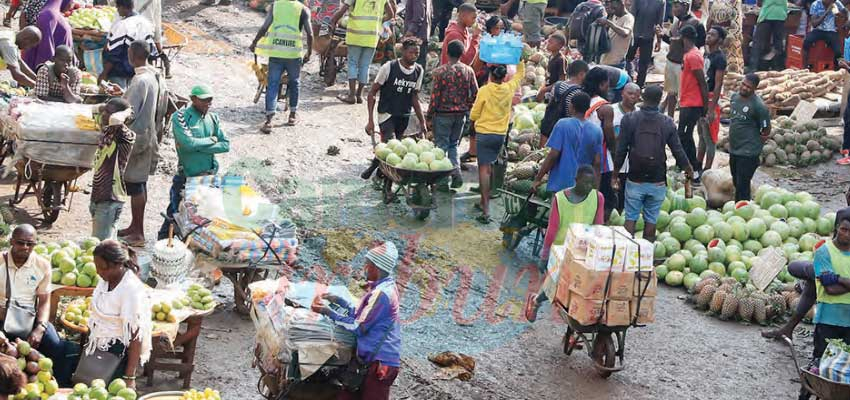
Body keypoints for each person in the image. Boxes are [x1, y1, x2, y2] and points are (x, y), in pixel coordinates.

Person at [311, 242, 401, 400]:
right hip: (367, 359)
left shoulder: (382, 294)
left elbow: (358, 326)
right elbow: (361, 314)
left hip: (380, 363)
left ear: (376, 267)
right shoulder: (380, 288)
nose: (364, 268)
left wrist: (328, 312)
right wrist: (339, 301)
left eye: (367, 264)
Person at [525, 165, 604, 322]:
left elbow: (599, 226)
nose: (589, 187)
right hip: (561, 250)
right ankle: (536, 301)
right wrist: (545, 255)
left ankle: (572, 331)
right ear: (576, 180)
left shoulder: (598, 198)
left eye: (591, 183)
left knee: (581, 291)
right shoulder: (560, 199)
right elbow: (552, 229)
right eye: (585, 183)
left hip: (584, 251)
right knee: (555, 286)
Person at [613, 85, 693, 240]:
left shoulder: (629, 119)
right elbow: (678, 150)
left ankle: (625, 256)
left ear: (642, 97)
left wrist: (615, 174)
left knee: (630, 217)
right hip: (657, 180)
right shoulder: (667, 122)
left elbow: (621, 150)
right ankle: (646, 257)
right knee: (651, 220)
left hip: (635, 177)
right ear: (659, 101)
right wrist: (688, 168)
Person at [157, 85, 230, 239]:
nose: (208, 103)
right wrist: (212, 140)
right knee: (175, 214)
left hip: (208, 178)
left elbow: (225, 145)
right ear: (193, 99)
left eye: (210, 99)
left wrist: (198, 146)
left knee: (202, 219)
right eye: (204, 99)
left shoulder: (213, 118)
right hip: (187, 177)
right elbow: (188, 144)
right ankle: (163, 245)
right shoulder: (181, 116)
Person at [113, 40, 167, 247]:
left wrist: (112, 111)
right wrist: (122, 94)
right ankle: (135, 227)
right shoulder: (154, 75)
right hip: (148, 134)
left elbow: (130, 111)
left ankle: (138, 233)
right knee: (139, 183)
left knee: (135, 185)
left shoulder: (140, 81)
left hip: (137, 137)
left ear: (132, 55)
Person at [0, 225, 70, 384]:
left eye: (29, 244)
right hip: (1, 317)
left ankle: (59, 385)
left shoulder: (42, 265)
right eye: (20, 242)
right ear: (11, 241)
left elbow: (45, 301)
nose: (25, 247)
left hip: (26, 317)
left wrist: (40, 327)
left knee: (56, 345)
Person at [88, 240, 152, 388]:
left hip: (119, 353)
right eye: (97, 267)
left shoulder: (130, 289)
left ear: (118, 265)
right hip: (99, 347)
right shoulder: (106, 280)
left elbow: (136, 336)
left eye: (103, 268)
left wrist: (130, 376)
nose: (98, 272)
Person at [360, 38, 426, 180]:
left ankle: (377, 170)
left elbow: (414, 97)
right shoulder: (389, 67)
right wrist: (370, 120)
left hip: (404, 114)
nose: (415, 56)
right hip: (387, 113)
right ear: (402, 52)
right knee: (391, 146)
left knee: (395, 148)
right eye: (411, 52)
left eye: (417, 53)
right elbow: (372, 93)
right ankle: (383, 179)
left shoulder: (419, 70)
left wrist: (422, 121)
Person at [469, 61, 526, 224]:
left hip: (484, 134)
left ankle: (486, 209)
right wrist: (519, 59)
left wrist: (473, 120)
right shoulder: (509, 88)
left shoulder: (485, 91)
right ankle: (483, 201)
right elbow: (520, 74)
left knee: (484, 169)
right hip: (500, 135)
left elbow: (474, 113)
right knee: (492, 165)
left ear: (491, 75)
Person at [804, 209, 850, 396]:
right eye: (844, 229)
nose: (846, 235)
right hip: (828, 320)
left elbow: (833, 282)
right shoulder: (823, 251)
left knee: (842, 369)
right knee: (820, 364)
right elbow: (829, 288)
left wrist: (837, 278)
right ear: (836, 228)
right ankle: (804, 394)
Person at [251, 0, 313, 131]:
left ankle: (268, 120)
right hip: (293, 54)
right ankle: (292, 116)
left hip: (276, 53)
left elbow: (264, 27)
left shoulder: (275, 6)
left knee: (272, 83)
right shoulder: (302, 9)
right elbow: (310, 34)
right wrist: (309, 52)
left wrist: (254, 42)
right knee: (294, 82)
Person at [427, 40, 478, 189]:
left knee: (441, 145)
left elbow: (435, 96)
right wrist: (467, 106)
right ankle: (456, 173)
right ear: (462, 54)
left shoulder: (440, 72)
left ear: (447, 53)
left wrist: (429, 116)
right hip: (461, 115)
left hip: (443, 114)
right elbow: (476, 93)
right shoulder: (468, 71)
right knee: (453, 145)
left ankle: (442, 179)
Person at [532, 92, 603, 194]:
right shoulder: (597, 131)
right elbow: (597, 162)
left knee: (560, 209)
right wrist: (596, 189)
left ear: (572, 107)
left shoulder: (562, 125)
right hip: (583, 185)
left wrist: (538, 178)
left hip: (562, 183)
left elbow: (553, 155)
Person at [330, 0, 394, 104]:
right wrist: (380, 21)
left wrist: (333, 22)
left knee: (352, 63)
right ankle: (359, 95)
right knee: (365, 65)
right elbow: (391, 14)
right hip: (372, 36)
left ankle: (351, 96)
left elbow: (342, 10)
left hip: (355, 34)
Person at [90, 98, 136, 240]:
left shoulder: (126, 136)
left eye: (108, 113)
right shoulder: (106, 130)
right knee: (106, 240)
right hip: (99, 194)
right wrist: (105, 107)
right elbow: (93, 109)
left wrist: (128, 111)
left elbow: (116, 119)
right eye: (105, 112)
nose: (104, 115)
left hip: (111, 197)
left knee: (102, 243)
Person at [658, 0, 706, 118]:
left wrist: (684, 45)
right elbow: (671, 41)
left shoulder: (696, 23)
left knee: (684, 94)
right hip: (671, 61)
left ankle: (683, 119)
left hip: (683, 64)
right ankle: (670, 118)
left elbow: (701, 42)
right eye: (673, 6)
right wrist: (662, 35)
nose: (673, 9)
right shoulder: (676, 23)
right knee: (671, 92)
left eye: (676, 6)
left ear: (685, 7)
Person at [727, 73, 770, 201]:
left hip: (748, 152)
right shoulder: (734, 98)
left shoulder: (759, 106)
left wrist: (756, 145)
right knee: (736, 181)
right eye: (743, 84)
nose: (744, 88)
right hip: (734, 149)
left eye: (748, 87)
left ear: (754, 89)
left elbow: (766, 128)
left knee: (743, 185)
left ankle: (743, 211)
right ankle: (739, 207)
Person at [582, 67, 617, 220]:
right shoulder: (605, 107)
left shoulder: (582, 101)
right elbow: (609, 136)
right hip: (601, 159)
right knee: (606, 197)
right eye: (607, 84)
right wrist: (616, 152)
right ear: (602, 85)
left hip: (582, 154)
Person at [675, 25, 709, 182]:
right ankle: (686, 165)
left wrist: (705, 107)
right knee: (683, 136)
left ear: (684, 37)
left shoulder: (693, 56)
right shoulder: (689, 54)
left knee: (684, 136)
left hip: (693, 104)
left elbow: (703, 83)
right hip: (687, 102)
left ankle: (695, 168)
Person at [100, 0, 158, 88]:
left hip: (121, 73)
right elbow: (151, 52)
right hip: (138, 72)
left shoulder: (123, 25)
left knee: (119, 96)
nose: (117, 10)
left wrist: (104, 74)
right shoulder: (146, 23)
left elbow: (113, 54)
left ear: (122, 7)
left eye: (118, 8)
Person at [537, 60, 589, 146]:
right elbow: (573, 114)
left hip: (549, 126)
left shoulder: (558, 85)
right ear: (581, 74)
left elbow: (550, 103)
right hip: (564, 132)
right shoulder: (578, 93)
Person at [698, 26, 727, 174]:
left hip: (711, 99)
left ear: (720, 40)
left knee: (710, 138)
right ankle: (698, 165)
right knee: (702, 135)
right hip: (702, 98)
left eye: (713, 34)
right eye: (708, 33)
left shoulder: (720, 58)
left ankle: (707, 170)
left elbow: (718, 84)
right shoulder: (707, 55)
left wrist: (711, 108)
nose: (708, 36)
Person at [611, 82, 640, 211]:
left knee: (626, 198)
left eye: (636, 95)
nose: (633, 97)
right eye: (630, 93)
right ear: (622, 93)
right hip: (613, 162)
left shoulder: (640, 114)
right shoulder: (611, 111)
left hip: (633, 165)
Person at [21, 0, 71, 70]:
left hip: (36, 60)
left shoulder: (53, 13)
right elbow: (45, 52)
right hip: (43, 69)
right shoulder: (48, 15)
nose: (71, 7)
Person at [626, 0, 664, 86]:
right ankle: (628, 81)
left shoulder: (660, 2)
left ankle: (639, 85)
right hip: (634, 35)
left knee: (644, 63)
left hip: (648, 37)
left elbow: (659, 23)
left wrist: (658, 41)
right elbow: (632, 17)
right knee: (628, 58)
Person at [802, 0, 847, 69]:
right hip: (818, 30)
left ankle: (836, 70)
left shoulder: (836, 3)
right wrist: (827, 12)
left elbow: (846, 12)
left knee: (838, 52)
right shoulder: (816, 4)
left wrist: (841, 15)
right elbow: (814, 24)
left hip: (831, 31)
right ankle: (804, 67)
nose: (832, 2)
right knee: (806, 42)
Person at [134, 0, 169, 78]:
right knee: (146, 74)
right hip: (147, 39)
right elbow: (157, 25)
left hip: (129, 36)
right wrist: (159, 48)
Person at [749, 0, 787, 71]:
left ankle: (753, 68)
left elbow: (759, 3)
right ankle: (778, 68)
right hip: (780, 15)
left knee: (758, 43)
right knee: (778, 44)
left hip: (767, 15)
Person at [599, 0, 634, 69]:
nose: (613, 10)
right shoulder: (614, 16)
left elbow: (625, 33)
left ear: (621, 5)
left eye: (614, 8)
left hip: (616, 62)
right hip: (606, 60)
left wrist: (609, 23)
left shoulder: (628, 18)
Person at [403, 0, 431, 69]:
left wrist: (410, 32)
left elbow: (418, 16)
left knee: (414, 67)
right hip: (422, 36)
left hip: (416, 37)